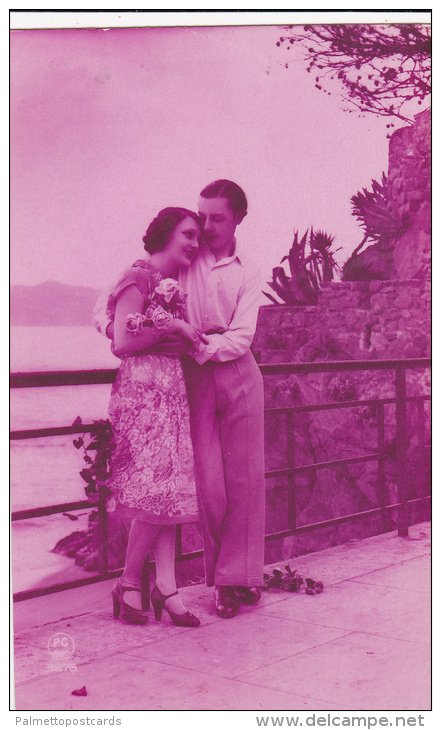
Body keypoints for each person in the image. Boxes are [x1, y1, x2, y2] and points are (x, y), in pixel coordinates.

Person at [96, 180, 265, 620]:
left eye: (217, 219)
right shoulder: (183, 258)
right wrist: (128, 337)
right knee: (205, 482)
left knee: (244, 478)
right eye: (201, 217)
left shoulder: (249, 269)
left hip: (237, 369)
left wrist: (195, 343)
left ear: (238, 219)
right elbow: (109, 309)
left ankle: (235, 581)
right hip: (187, 376)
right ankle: (184, 583)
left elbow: (243, 336)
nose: (206, 227)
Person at [105, 207, 206, 627]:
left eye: (197, 237)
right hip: (142, 397)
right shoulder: (138, 278)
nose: (194, 245)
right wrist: (176, 329)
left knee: (167, 490)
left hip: (168, 392)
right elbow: (123, 341)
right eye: (188, 235)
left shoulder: (170, 285)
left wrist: (179, 334)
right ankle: (128, 583)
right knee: (153, 489)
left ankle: (166, 586)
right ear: (166, 233)